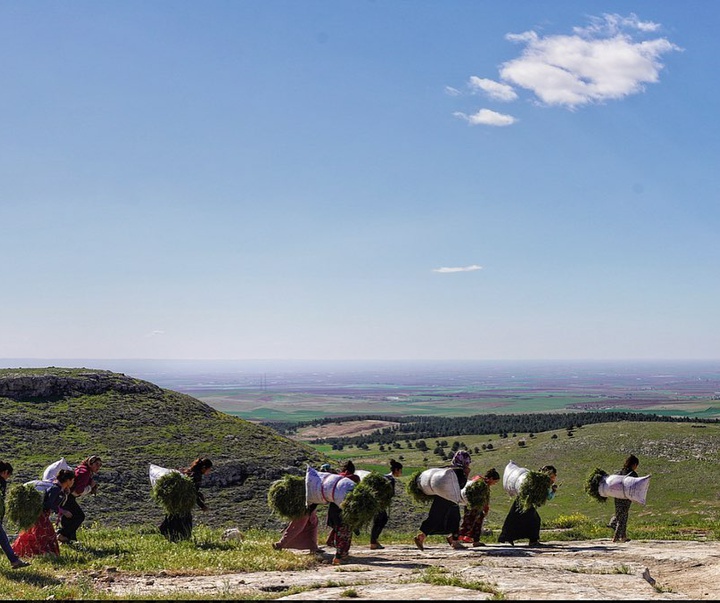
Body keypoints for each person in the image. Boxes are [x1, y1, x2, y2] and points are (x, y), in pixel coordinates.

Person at [414, 450, 472, 551]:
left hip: (439, 496)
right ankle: (454, 541)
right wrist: (466, 474)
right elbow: (461, 486)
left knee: (435, 518)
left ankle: (423, 536)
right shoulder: (458, 471)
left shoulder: (448, 469)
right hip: (450, 499)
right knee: (455, 519)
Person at [13, 469, 75, 558]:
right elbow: (48, 503)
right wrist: (63, 511)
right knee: (46, 535)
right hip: (40, 515)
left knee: (34, 533)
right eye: (73, 480)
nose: (73, 482)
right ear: (68, 480)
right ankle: (44, 553)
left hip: (43, 515)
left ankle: (25, 552)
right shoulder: (55, 489)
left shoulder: (60, 489)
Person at [498, 464, 557, 547]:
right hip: (526, 502)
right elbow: (547, 496)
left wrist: (553, 491)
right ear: (550, 474)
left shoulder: (540, 480)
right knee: (534, 520)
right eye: (554, 475)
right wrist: (553, 491)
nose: (555, 477)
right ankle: (532, 541)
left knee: (514, 519)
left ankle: (507, 538)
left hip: (523, 501)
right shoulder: (542, 481)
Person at [159, 457, 213, 542]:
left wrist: (199, 494)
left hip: (178, 501)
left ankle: (168, 534)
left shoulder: (190, 472)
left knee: (174, 518)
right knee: (185, 522)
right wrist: (202, 506)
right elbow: (193, 493)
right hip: (184, 503)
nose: (209, 472)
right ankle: (181, 539)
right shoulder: (197, 476)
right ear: (204, 468)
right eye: (209, 469)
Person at [57, 455, 102, 544]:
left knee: (70, 517)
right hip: (68, 496)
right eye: (97, 464)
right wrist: (90, 487)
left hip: (64, 495)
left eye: (100, 465)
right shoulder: (85, 472)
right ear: (91, 463)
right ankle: (62, 534)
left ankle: (70, 539)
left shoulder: (82, 470)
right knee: (79, 516)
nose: (98, 467)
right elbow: (78, 491)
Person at [326, 460, 360, 565]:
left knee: (338, 529)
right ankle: (339, 556)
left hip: (333, 508)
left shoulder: (336, 477)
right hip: (345, 509)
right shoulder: (354, 478)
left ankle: (337, 548)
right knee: (345, 533)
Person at [458, 467, 501, 547]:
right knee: (469, 522)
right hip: (473, 506)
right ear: (491, 478)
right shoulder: (482, 484)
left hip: (472, 505)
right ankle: (454, 537)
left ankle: (476, 540)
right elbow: (483, 499)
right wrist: (485, 508)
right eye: (495, 481)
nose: (494, 484)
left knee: (478, 521)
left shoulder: (479, 481)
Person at [0, 462, 30, 569]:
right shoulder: (1, 482)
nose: (7, 478)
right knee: (3, 538)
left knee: (3, 538)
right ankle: (14, 560)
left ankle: (14, 560)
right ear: (5, 472)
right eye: (8, 475)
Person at [369, 459, 403, 550]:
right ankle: (373, 542)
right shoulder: (391, 480)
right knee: (381, 520)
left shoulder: (383, 477)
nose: (401, 473)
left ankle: (374, 541)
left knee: (380, 520)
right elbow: (391, 493)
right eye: (400, 471)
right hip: (381, 504)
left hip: (376, 503)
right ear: (396, 470)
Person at [609, 454, 639, 543]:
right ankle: (616, 537)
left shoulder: (620, 472)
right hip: (626, 497)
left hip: (617, 496)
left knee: (619, 515)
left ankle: (623, 536)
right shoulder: (633, 474)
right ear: (634, 465)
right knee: (623, 517)